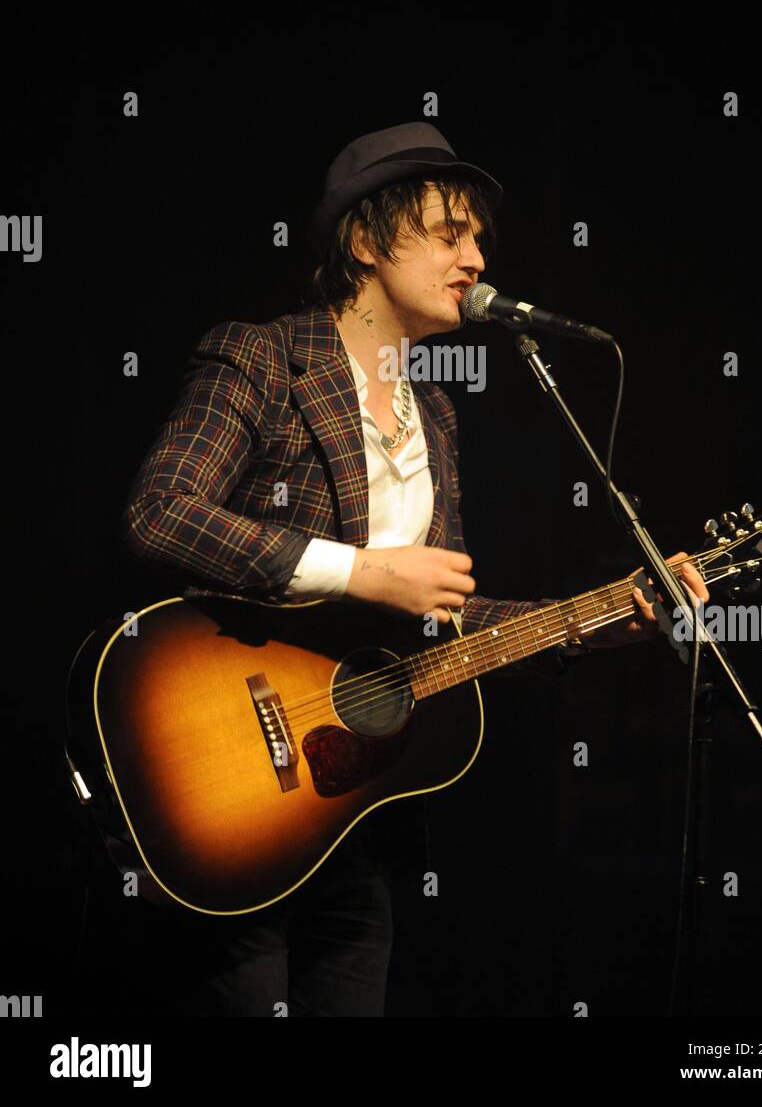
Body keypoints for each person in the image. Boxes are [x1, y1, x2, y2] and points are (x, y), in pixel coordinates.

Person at [117, 120, 709, 1016]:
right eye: (449, 234)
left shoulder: (435, 412)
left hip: (354, 806)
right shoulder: (263, 356)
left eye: (478, 239)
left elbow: (444, 613)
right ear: (363, 239)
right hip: (230, 780)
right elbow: (161, 514)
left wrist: (605, 615)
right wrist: (359, 573)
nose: (475, 259)